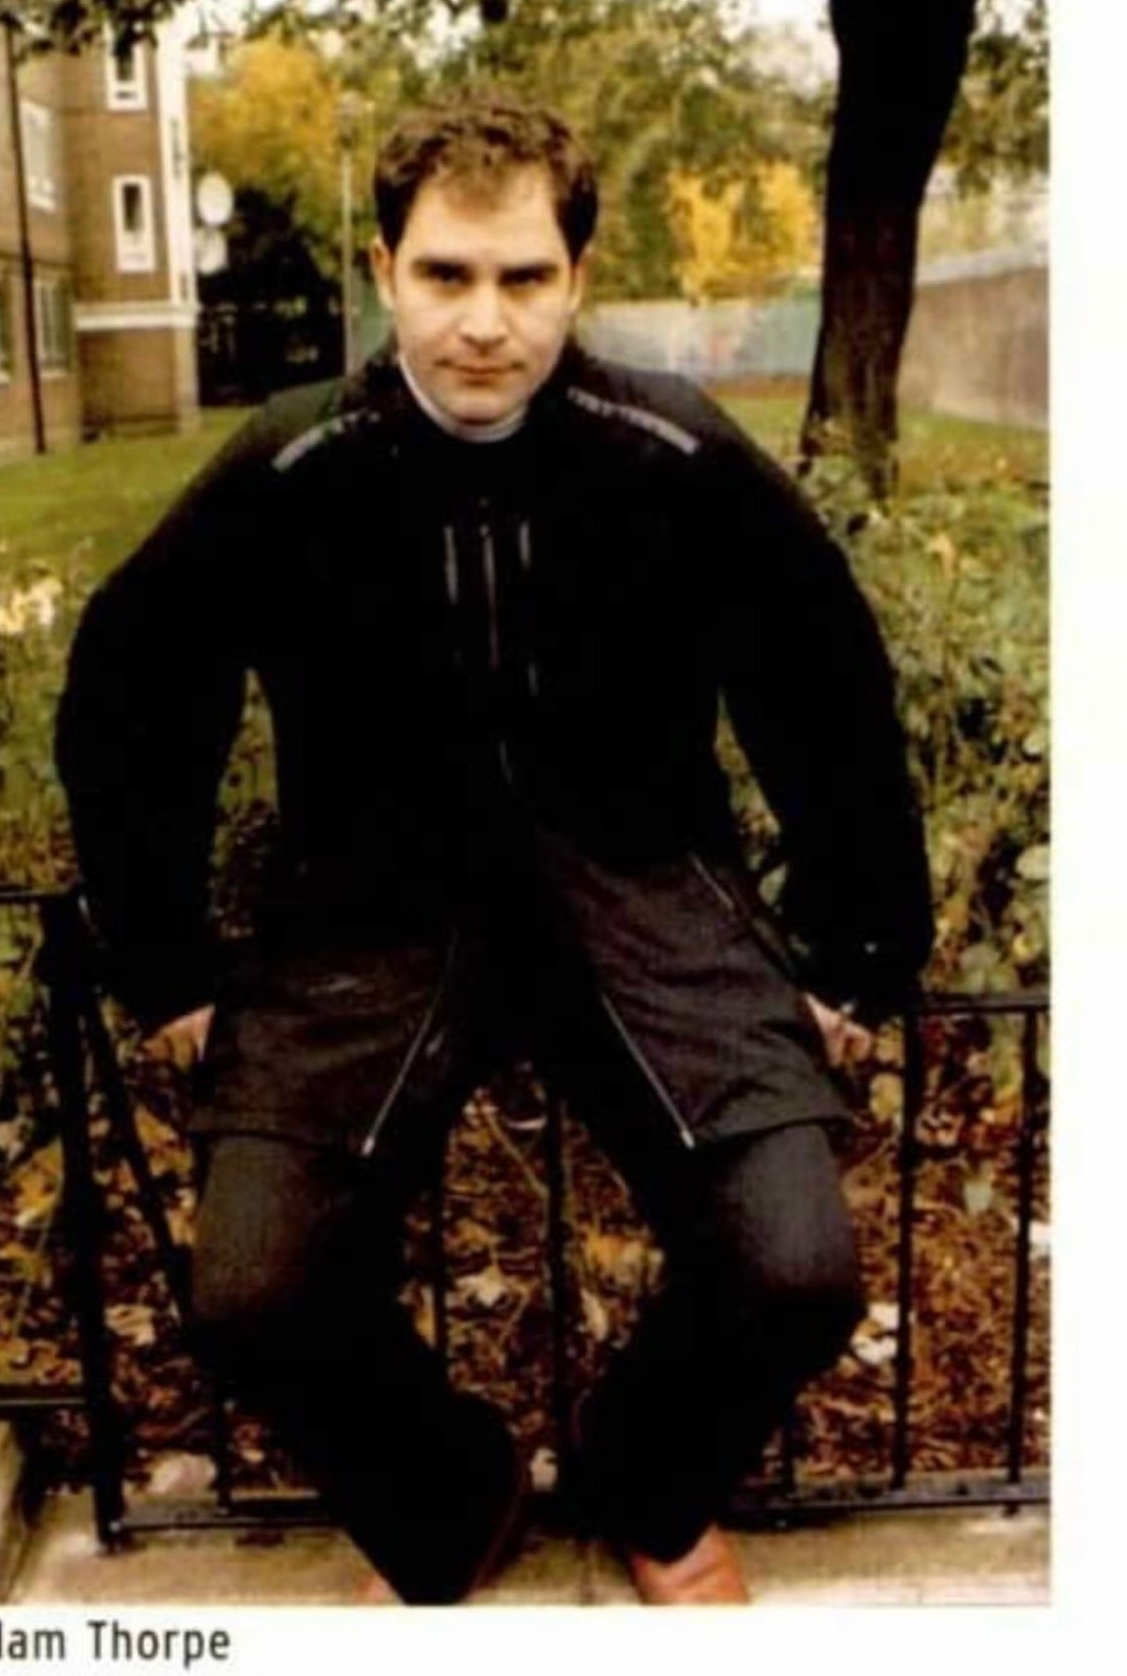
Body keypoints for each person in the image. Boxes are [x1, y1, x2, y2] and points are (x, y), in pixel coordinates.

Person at [56, 97, 933, 1606]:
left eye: (524, 277)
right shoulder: (296, 464)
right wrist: (168, 960)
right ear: (383, 269)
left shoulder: (671, 450)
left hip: (641, 895)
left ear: (577, 277)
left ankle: (648, 1480)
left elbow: (827, 687)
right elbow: (133, 695)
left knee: (797, 1267)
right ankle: (450, 1504)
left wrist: (856, 949)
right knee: (253, 1290)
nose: (484, 321)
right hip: (367, 916)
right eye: (447, 274)